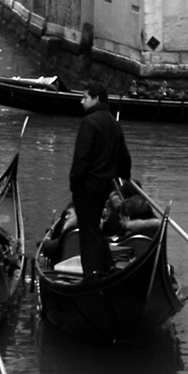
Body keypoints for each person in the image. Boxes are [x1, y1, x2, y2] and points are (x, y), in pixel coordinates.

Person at [69, 81, 132, 277]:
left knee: (88, 233)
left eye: (85, 97)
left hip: (87, 185)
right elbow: (124, 157)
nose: (81, 101)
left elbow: (82, 157)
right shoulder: (114, 122)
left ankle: (92, 275)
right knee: (95, 228)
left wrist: (74, 183)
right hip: (105, 186)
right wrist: (124, 179)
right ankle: (107, 267)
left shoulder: (89, 122)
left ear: (96, 99)